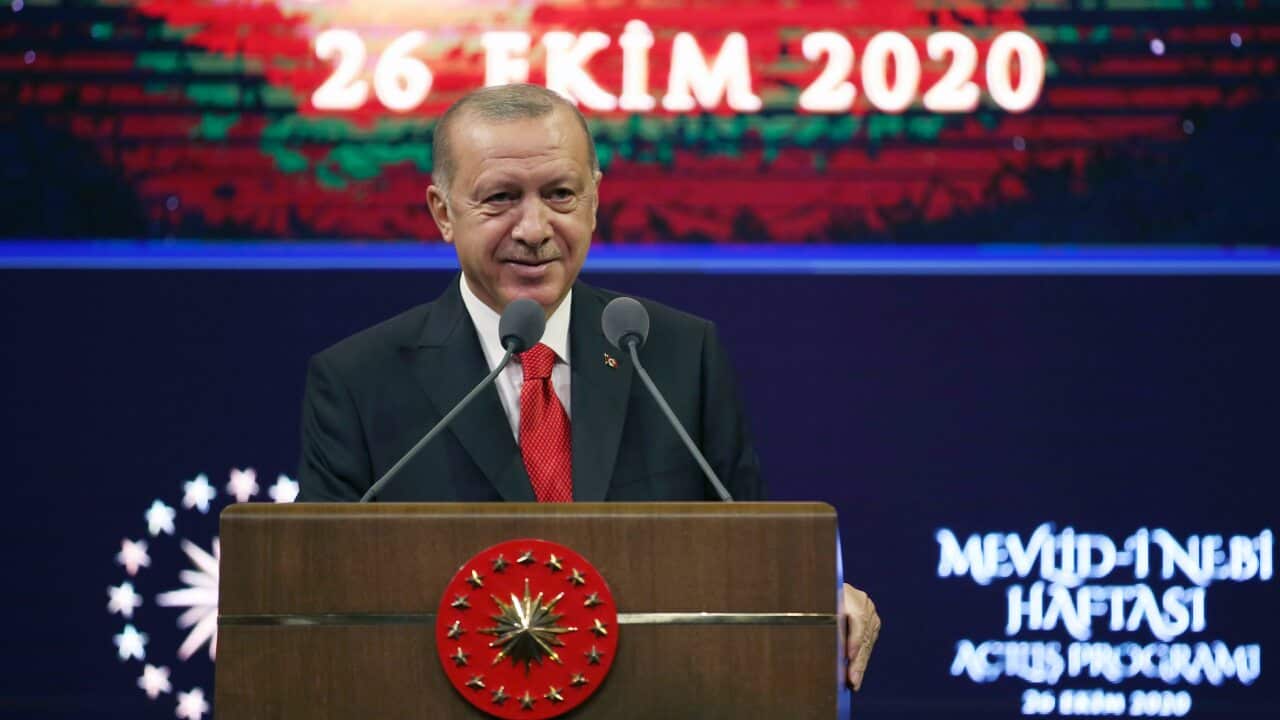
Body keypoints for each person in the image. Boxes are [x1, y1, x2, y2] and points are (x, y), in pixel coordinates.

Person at [296, 83, 879, 690]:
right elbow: (320, 595)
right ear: (443, 212)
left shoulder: (676, 355)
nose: (534, 228)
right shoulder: (359, 380)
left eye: (560, 195)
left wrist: (818, 594)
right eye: (500, 198)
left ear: (594, 201)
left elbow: (753, 549)